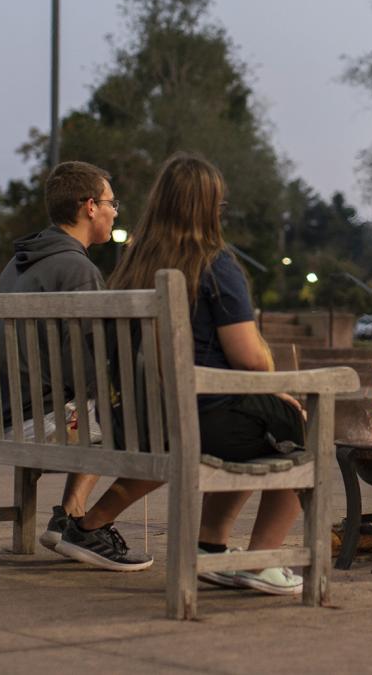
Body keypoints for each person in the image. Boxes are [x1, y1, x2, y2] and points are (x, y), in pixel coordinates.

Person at [57, 151, 307, 595]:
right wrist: (275, 384)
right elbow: (249, 358)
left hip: (127, 420)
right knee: (294, 426)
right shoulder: (213, 262)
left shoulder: (131, 265)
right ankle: (262, 559)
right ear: (210, 208)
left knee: (260, 417)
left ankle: (211, 548)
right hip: (190, 419)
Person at [0, 160, 157, 571]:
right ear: (90, 206)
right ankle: (88, 526)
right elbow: (94, 372)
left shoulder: (21, 262)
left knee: (104, 406)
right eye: (112, 203)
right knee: (146, 419)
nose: (116, 212)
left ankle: (69, 518)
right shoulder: (77, 269)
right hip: (32, 422)